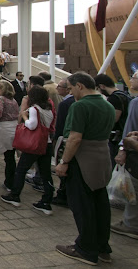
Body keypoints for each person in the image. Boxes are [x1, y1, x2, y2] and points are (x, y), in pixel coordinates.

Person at [54, 72, 115, 265]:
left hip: (83, 159)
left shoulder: (80, 106)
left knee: (82, 204)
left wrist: (64, 162)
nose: (71, 93)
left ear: (80, 86)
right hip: (103, 157)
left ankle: (86, 248)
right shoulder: (107, 104)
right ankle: (102, 247)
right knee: (100, 202)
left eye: (71, 89)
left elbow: (75, 138)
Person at [1, 86, 55, 214]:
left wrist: (24, 116)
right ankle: (47, 201)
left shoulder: (34, 109)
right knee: (46, 173)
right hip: (46, 143)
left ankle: (15, 195)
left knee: (21, 170)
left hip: (34, 145)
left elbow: (32, 125)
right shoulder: (49, 110)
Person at [111, 71, 138, 239]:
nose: (130, 80)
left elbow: (129, 130)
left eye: (133, 77)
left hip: (134, 153)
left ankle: (130, 224)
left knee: (133, 189)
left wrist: (123, 149)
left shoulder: (135, 103)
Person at [94, 73, 132, 167]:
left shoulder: (114, 98)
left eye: (98, 89)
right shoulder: (125, 95)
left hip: (116, 137)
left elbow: (114, 118)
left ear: (102, 86)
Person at [52, 78, 76, 207]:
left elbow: (61, 124)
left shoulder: (67, 104)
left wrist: (56, 138)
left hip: (65, 139)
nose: (57, 89)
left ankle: (64, 195)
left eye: (59, 87)